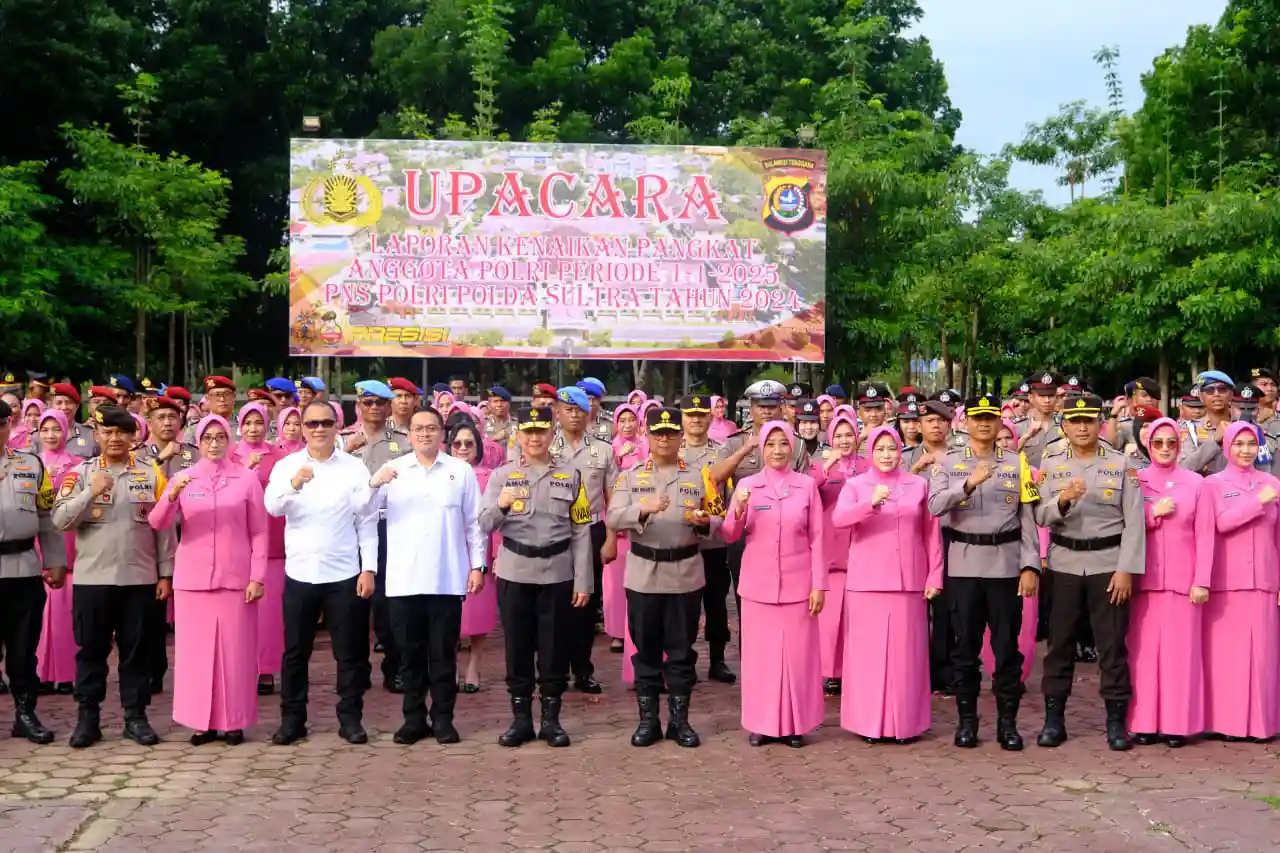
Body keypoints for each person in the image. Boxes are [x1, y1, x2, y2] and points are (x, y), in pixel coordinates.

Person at [53, 406, 175, 748]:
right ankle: (87, 719)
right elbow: (60, 520)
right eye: (107, 432)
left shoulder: (151, 475)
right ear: (98, 436)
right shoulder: (80, 474)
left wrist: (166, 573)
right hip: (92, 580)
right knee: (90, 651)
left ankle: (135, 717)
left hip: (139, 579)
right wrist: (90, 491)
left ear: (133, 436)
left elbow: (163, 529)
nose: (115, 438)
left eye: (122, 432)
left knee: (136, 653)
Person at [928, 394, 1041, 750]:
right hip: (964, 564)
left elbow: (1028, 519)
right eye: (977, 418)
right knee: (965, 649)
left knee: (1007, 648)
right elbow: (934, 505)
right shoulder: (947, 462)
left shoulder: (1017, 463)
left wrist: (1030, 565)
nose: (984, 424)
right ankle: (967, 724)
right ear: (966, 423)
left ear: (998, 423)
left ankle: (1007, 724)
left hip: (1006, 565)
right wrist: (968, 484)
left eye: (990, 418)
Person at [264, 401, 378, 746]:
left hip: (344, 571)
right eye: (311, 423)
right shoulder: (287, 465)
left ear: (336, 425)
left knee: (351, 652)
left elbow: (367, 520)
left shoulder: (354, 468)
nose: (318, 429)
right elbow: (272, 507)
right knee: (296, 652)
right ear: (302, 426)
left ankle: (350, 718)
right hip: (300, 571)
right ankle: (293, 720)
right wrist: (295, 484)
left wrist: (368, 568)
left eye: (326, 422)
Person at [1034, 394, 1144, 751]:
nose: (1082, 427)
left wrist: (1126, 569)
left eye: (1089, 421)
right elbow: (1041, 516)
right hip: (1065, 563)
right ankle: (1054, 721)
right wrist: (1063, 500)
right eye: (1075, 421)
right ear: (1064, 425)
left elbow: (1134, 523)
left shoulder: (1120, 464)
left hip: (1107, 565)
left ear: (1100, 424)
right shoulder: (1050, 463)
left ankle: (1116, 723)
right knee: (1059, 645)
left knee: (1111, 646)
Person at [479, 405, 593, 748]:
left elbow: (581, 530)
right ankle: (520, 720)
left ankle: (551, 720)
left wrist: (583, 580)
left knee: (554, 647)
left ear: (551, 434)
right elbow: (484, 523)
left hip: (557, 572)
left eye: (540, 431)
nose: (534, 438)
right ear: (519, 435)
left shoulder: (571, 475)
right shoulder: (502, 476)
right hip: (515, 570)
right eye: (528, 432)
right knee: (517, 647)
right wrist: (500, 505)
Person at [369, 407, 486, 745]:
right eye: (418, 429)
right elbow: (363, 512)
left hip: (447, 578)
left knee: (443, 654)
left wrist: (477, 566)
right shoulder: (394, 470)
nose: (424, 434)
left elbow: (473, 524)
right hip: (404, 579)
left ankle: (444, 718)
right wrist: (373, 484)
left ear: (442, 433)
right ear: (409, 434)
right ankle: (414, 718)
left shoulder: (460, 471)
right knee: (409, 654)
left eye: (432, 428)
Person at [149, 415, 266, 745]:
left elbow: (258, 531)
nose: (214, 444)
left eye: (220, 437)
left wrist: (257, 576)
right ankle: (200, 721)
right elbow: (158, 523)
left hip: (235, 578)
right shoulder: (184, 478)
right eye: (207, 438)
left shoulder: (245, 479)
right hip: (193, 580)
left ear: (229, 441)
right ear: (198, 442)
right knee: (196, 656)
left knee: (235, 653)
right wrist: (172, 494)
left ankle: (233, 722)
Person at [608, 407, 719, 748]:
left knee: (682, 650)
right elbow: (613, 518)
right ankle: (648, 721)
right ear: (647, 436)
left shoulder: (700, 475)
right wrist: (642, 509)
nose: (665, 440)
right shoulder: (630, 475)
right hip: (643, 575)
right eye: (658, 434)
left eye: (671, 434)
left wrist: (705, 523)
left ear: (680, 436)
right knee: (646, 650)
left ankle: (680, 722)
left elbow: (719, 521)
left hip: (685, 574)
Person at [833, 426, 942, 744]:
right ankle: (868, 723)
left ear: (900, 451)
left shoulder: (918, 485)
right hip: (866, 583)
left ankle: (905, 723)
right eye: (879, 449)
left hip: (908, 582)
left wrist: (934, 575)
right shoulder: (856, 486)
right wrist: (869, 503)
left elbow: (931, 534)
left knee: (906, 658)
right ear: (870, 451)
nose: (885, 455)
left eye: (891, 449)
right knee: (868, 658)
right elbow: (839, 520)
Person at [721, 421, 826, 748]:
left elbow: (818, 538)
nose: (778, 450)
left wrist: (819, 585)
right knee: (760, 660)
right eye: (771, 444)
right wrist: (737, 508)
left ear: (793, 447)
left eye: (784, 443)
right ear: (762, 448)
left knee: (796, 659)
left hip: (798, 585)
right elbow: (729, 534)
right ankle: (762, 723)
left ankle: (795, 723)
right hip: (758, 587)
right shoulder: (747, 485)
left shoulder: (806, 486)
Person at [1124, 417, 1208, 748]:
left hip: (1183, 582)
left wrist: (1201, 579)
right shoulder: (1136, 480)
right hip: (1144, 581)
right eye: (1158, 442)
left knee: (1179, 656)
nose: (1164, 449)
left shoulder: (1195, 483)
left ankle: (1176, 724)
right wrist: (1152, 514)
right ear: (1147, 444)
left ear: (1179, 445)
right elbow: (1124, 527)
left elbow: (1205, 535)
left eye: (1171, 443)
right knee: (1143, 657)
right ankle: (1143, 722)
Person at [1195, 421, 1280, 741]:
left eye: (1251, 444)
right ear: (1227, 447)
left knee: (1263, 656)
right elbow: (1218, 524)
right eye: (1239, 444)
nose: (1245, 451)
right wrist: (1258, 503)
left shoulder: (1271, 482)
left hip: (1263, 581)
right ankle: (1226, 723)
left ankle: (1261, 724)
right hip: (1227, 582)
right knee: (1227, 657)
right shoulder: (1213, 484)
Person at [0, 401, 67, 743]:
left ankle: (25, 714)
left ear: (8, 425)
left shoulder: (31, 464)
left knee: (24, 649)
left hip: (23, 568)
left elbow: (46, 517)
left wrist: (55, 560)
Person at [343, 380, 411, 692]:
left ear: (388, 407)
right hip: (348, 529)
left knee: (388, 602)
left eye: (380, 403)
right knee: (350, 602)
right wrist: (344, 451)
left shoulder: (403, 441)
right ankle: (355, 670)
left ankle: (393, 667)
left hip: (388, 528)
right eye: (367, 402)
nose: (373, 408)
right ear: (358, 406)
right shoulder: (342, 440)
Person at [552, 386, 618, 694]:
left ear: (588, 412)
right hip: (553, 531)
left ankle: (582, 669)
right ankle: (555, 671)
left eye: (579, 409)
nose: (574, 414)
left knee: (586, 605)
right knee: (555, 603)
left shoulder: (603, 450)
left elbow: (612, 498)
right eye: (568, 409)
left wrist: (612, 537)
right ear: (558, 412)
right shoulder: (544, 446)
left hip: (591, 530)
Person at [232, 403, 288, 695]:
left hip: (273, 538)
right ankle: (239, 667)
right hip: (237, 541)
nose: (253, 428)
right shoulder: (229, 456)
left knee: (268, 612)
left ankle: (265, 669)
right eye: (248, 423)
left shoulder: (280, 456)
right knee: (239, 610)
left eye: (258, 422)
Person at [678, 395, 734, 683]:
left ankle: (718, 659)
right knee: (686, 603)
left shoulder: (722, 451)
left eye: (701, 415)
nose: (696, 419)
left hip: (713, 540)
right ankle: (684, 659)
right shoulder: (673, 450)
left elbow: (727, 495)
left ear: (710, 418)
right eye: (690, 415)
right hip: (683, 540)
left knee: (715, 601)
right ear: (683, 418)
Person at [811, 412, 865, 696]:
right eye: (838, 436)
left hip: (862, 547)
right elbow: (807, 493)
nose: (844, 441)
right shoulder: (819, 467)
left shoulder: (869, 465)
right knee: (829, 620)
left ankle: (852, 669)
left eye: (849, 435)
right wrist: (825, 467)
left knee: (855, 619)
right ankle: (829, 672)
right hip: (831, 549)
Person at [448, 421, 498, 692]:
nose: (464, 448)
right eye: (458, 443)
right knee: (450, 613)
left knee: (478, 612)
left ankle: (473, 666)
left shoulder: (491, 476)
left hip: (481, 550)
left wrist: (497, 553)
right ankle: (452, 664)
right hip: (449, 550)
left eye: (469, 443)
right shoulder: (443, 472)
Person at [34, 410, 78, 696]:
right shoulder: (29, 465)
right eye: (45, 429)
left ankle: (67, 674)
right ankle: (39, 673)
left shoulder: (77, 466)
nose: (51, 435)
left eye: (56, 429)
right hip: (37, 543)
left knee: (65, 612)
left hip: (68, 542)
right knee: (38, 612)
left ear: (66, 431)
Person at [184, 376, 238, 444]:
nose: (222, 399)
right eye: (217, 395)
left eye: (226, 394)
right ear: (207, 399)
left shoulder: (244, 427)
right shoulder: (194, 430)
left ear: (234, 397)